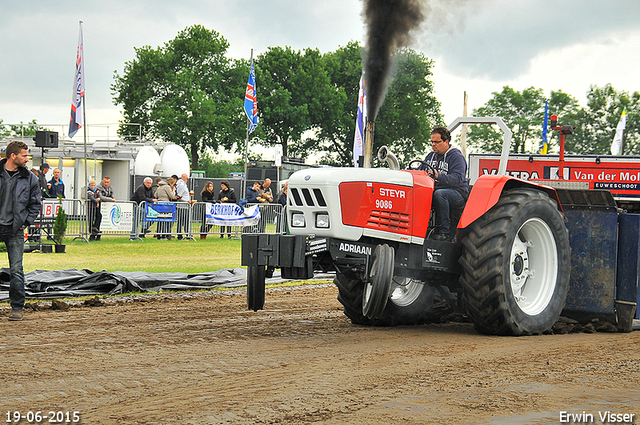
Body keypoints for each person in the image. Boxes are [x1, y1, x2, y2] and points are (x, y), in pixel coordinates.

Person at [0, 141, 41, 321]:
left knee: (16, 269)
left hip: (15, 229)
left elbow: (35, 204)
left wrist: (26, 222)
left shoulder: (30, 178)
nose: (27, 159)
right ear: (13, 156)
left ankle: (17, 307)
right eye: (24, 155)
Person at [422, 126, 469, 241]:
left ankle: (444, 232)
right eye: (432, 142)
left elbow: (458, 179)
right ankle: (422, 228)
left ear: (446, 142)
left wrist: (439, 176)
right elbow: (420, 170)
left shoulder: (456, 157)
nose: (433, 145)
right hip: (434, 190)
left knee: (440, 194)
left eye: (437, 142)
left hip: (457, 194)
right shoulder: (430, 156)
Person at [175, 173, 191, 240]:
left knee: (185, 221)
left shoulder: (182, 185)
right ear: (186, 178)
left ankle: (186, 233)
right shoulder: (181, 185)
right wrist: (187, 201)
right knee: (182, 221)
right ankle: (180, 234)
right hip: (182, 206)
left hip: (185, 206)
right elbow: (179, 196)